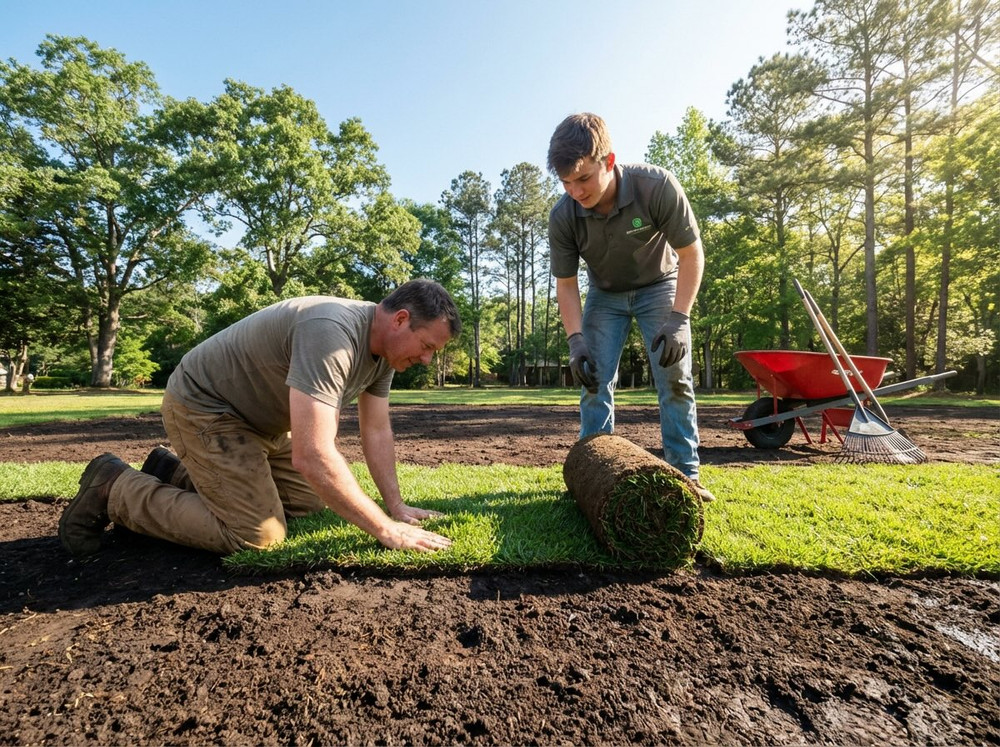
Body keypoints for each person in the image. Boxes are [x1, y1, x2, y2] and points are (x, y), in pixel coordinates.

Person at [59, 279, 462, 557]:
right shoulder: (332, 332)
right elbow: (313, 454)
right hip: (206, 409)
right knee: (259, 536)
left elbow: (376, 430)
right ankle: (115, 486)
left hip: (259, 425)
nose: (426, 360)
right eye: (426, 346)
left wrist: (396, 507)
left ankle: (173, 471)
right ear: (401, 319)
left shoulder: (386, 356)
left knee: (310, 504)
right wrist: (386, 531)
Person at [547, 113, 714, 503]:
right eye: (566, 182)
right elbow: (566, 284)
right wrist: (575, 341)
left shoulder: (656, 187)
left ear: (609, 161)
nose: (575, 191)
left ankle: (685, 477)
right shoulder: (564, 215)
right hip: (604, 296)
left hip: (660, 285)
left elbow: (692, 255)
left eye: (583, 179)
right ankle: (593, 476)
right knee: (593, 380)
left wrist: (679, 318)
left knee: (674, 377)